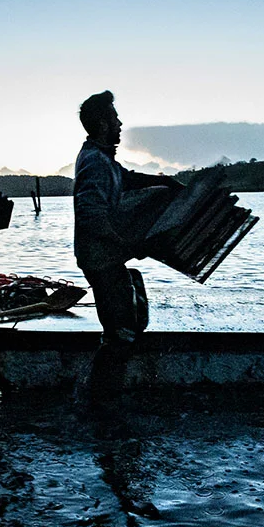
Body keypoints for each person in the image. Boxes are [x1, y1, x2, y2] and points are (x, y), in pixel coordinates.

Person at [73, 90, 183, 390]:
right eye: (115, 118)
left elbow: (127, 178)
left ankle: (104, 393)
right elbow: (90, 214)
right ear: (103, 124)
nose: (120, 124)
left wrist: (164, 181)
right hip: (101, 259)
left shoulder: (100, 158)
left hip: (106, 257)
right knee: (120, 336)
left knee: (127, 323)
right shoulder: (95, 162)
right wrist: (126, 243)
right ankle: (98, 398)